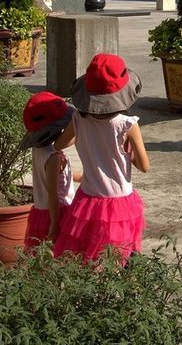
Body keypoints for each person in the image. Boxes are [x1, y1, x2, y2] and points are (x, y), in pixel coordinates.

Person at [53, 54, 150, 262]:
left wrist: (84, 140)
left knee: (88, 255)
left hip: (87, 199)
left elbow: (59, 144)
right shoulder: (127, 124)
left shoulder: (78, 118)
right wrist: (126, 152)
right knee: (118, 257)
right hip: (119, 202)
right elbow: (144, 166)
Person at [20, 92, 79, 250]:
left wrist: (83, 177)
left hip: (40, 211)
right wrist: (54, 223)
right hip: (58, 211)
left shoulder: (39, 150)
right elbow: (52, 193)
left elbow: (56, 179)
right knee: (62, 254)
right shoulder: (53, 158)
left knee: (41, 255)